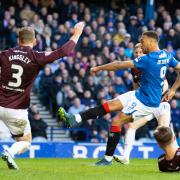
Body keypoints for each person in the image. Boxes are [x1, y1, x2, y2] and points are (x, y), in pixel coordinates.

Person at [58, 31, 180, 165]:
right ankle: (75, 118)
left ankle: (108, 159)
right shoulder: (166, 55)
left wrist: (99, 68)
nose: (141, 43)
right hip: (138, 94)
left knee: (116, 121)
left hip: (146, 102)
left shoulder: (148, 59)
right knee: (108, 105)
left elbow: (118, 65)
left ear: (151, 41)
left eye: (143, 41)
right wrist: (173, 90)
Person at [0, 22, 85, 170]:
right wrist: (76, 34)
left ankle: (10, 155)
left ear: (18, 40)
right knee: (25, 141)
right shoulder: (36, 57)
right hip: (16, 110)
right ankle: (9, 152)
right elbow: (63, 52)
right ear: (34, 41)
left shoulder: (4, 54)